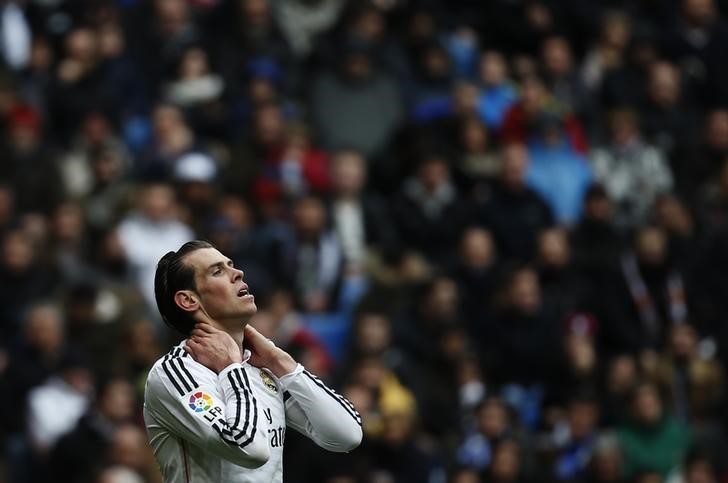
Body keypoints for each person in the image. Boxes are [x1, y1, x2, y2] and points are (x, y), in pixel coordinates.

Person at [143, 240, 362, 482]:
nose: (238, 273)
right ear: (188, 300)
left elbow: (347, 434)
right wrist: (230, 368)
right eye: (218, 271)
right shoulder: (174, 372)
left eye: (231, 265)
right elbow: (249, 448)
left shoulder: (261, 367)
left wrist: (280, 361)